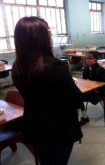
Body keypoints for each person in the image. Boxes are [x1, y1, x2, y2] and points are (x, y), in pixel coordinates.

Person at [12, 16, 83, 164]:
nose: (50, 36)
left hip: (35, 126)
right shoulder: (55, 66)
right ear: (42, 38)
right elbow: (76, 98)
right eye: (48, 32)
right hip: (59, 129)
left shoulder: (17, 67)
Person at [80, 51, 105, 126]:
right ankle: (84, 117)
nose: (88, 60)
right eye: (87, 58)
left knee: (82, 97)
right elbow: (84, 81)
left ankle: (84, 116)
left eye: (91, 58)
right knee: (78, 96)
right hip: (94, 88)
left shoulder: (100, 69)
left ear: (95, 59)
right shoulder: (86, 68)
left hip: (104, 89)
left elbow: (102, 84)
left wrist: (93, 90)